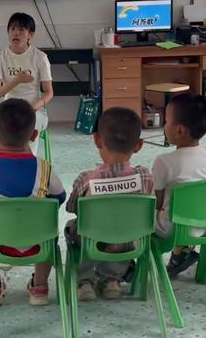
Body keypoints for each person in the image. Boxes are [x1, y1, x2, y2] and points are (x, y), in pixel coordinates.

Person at [0, 98, 65, 306]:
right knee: (50, 224)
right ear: (34, 135)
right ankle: (40, 287)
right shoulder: (44, 168)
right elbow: (59, 199)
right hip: (37, 243)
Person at [65, 107, 153, 301]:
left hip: (94, 240)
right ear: (138, 145)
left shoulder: (86, 179)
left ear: (97, 140)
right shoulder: (144, 176)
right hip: (130, 241)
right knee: (125, 226)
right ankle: (112, 279)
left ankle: (84, 281)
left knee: (77, 227)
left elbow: (72, 208)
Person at [153, 93, 206, 277]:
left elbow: (156, 203)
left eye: (166, 121)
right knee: (186, 204)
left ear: (180, 130)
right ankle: (180, 253)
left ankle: (126, 263)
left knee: (141, 210)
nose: (164, 125)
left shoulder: (164, 161)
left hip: (172, 228)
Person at [0, 12, 54, 156]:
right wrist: (16, 80)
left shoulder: (40, 57)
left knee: (32, 120)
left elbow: (49, 92)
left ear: (30, 35)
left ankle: (29, 161)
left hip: (34, 108)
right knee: (2, 121)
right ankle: (5, 161)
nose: (16, 34)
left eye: (21, 30)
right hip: (9, 107)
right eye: (12, 29)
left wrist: (31, 108)